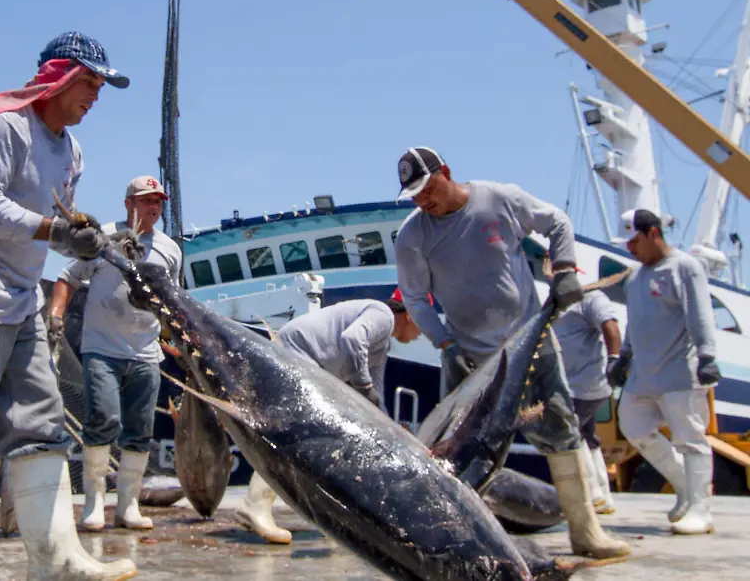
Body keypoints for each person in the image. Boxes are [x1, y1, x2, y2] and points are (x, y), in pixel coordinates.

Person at [0, 31, 138, 581]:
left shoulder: (71, 150)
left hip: (20, 298)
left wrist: (80, 235)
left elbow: (57, 220)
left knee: (41, 423)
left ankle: (55, 560)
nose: (95, 95)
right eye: (88, 82)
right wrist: (53, 230)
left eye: (101, 86)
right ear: (57, 77)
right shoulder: (6, 127)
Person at [391, 146, 630, 560]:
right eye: (413, 195)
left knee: (562, 430)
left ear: (446, 173)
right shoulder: (413, 236)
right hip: (467, 356)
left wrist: (568, 269)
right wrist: (445, 344)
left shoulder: (499, 199)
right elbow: (414, 298)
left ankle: (586, 532)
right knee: (458, 450)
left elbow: (557, 222)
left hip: (529, 342)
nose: (421, 200)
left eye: (426, 188)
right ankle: (464, 539)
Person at [232, 289, 425, 545]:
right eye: (423, 326)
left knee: (318, 442)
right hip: (298, 354)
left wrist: (390, 428)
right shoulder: (383, 315)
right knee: (300, 438)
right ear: (410, 315)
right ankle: (254, 505)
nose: (422, 335)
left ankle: (323, 514)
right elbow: (353, 339)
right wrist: (363, 386)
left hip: (311, 364)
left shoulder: (382, 344)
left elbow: (376, 392)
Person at [47, 176, 183, 533]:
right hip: (102, 349)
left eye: (158, 201)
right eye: (146, 200)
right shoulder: (102, 236)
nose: (153, 207)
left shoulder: (170, 249)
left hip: (146, 353)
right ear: (129, 204)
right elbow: (67, 278)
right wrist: (56, 315)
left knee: (140, 430)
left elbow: (173, 298)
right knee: (102, 420)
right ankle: (93, 503)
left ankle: (128, 505)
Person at [608, 208, 722, 536]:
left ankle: (701, 508)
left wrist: (707, 355)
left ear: (654, 234)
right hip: (643, 373)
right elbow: (634, 321)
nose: (630, 249)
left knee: (691, 438)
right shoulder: (635, 276)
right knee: (633, 426)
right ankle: (686, 487)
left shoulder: (685, 267)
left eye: (634, 241)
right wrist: (624, 357)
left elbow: (700, 314)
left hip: (679, 371)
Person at [549, 262, 622, 515]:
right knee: (586, 434)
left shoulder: (590, 296)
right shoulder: (558, 301)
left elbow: (610, 326)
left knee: (568, 431)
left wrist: (614, 360)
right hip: (570, 384)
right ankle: (603, 497)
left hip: (585, 384)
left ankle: (594, 493)